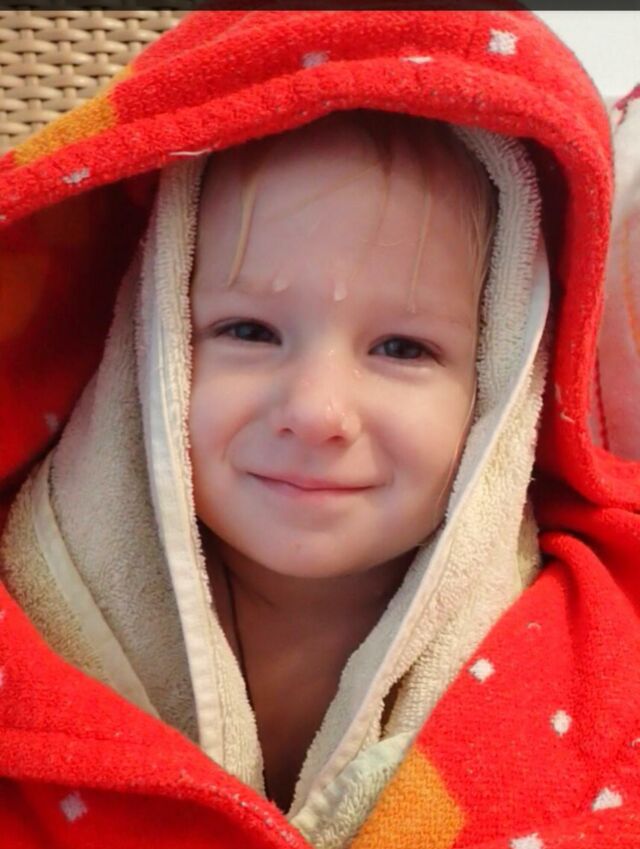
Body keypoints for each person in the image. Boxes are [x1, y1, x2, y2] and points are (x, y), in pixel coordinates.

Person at [0, 10, 638, 849]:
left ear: (499, 389)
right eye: (249, 331)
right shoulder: (34, 617)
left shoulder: (583, 644)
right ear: (147, 352)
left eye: (402, 347)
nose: (315, 411)